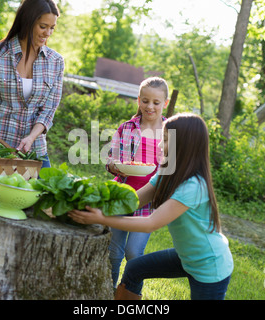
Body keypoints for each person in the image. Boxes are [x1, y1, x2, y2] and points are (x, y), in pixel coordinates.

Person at [69, 113, 234, 300]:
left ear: (183, 146)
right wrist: (94, 205)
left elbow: (151, 223)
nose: (159, 145)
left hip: (209, 267)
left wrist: (101, 219)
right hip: (186, 256)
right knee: (134, 269)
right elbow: (134, 200)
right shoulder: (167, 172)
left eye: (164, 140)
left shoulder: (194, 186)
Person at [0, 0, 64, 168]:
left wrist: (31, 138)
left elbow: (48, 111)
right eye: (43, 26)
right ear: (28, 21)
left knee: (46, 192)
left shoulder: (55, 62)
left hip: (33, 149)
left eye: (52, 28)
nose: (48, 33)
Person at [105, 77, 169, 290]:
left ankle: (129, 295)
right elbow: (112, 159)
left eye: (156, 102)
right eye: (145, 100)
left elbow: (173, 169)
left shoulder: (170, 132)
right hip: (121, 195)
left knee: (133, 253)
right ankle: (107, 292)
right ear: (138, 100)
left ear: (165, 103)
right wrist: (114, 165)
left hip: (148, 202)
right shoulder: (127, 128)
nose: (150, 106)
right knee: (114, 252)